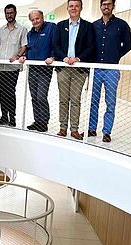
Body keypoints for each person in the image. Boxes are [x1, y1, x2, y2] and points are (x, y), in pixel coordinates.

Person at [88, 0, 131, 142]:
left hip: (112, 70)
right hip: (96, 69)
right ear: (100, 6)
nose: (106, 6)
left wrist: (115, 55)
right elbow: (89, 45)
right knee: (93, 101)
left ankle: (107, 132)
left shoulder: (122, 25)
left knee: (110, 102)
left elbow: (128, 45)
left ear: (113, 6)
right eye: (103, 4)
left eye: (109, 4)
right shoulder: (94, 25)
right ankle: (91, 129)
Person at [53, 0, 95, 140]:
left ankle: (74, 129)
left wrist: (78, 59)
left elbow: (91, 47)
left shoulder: (88, 27)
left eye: (77, 6)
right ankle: (63, 128)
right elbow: (56, 45)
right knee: (63, 99)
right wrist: (64, 57)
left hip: (79, 69)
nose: (74, 8)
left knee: (75, 99)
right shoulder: (60, 26)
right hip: (63, 67)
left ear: (81, 8)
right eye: (71, 6)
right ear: (67, 8)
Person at [0, 4, 27, 127]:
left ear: (15, 13)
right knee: (2, 92)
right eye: (7, 13)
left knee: (10, 92)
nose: (9, 15)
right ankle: (4, 117)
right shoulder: (1, 30)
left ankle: (12, 118)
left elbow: (24, 46)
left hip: (12, 68)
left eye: (11, 13)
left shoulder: (22, 29)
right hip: (0, 67)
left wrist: (17, 56)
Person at [18, 10, 56, 132]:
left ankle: (44, 122)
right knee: (34, 96)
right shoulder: (30, 34)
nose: (35, 21)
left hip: (45, 70)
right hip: (32, 69)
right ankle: (37, 121)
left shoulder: (51, 28)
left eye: (37, 19)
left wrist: (53, 57)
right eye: (33, 20)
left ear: (42, 17)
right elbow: (29, 49)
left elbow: (55, 44)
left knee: (41, 96)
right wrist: (24, 56)